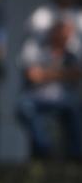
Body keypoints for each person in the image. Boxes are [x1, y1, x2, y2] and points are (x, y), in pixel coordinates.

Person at [16, 20, 82, 159]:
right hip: (37, 98)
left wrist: (46, 73)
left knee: (76, 109)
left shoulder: (72, 54)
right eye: (63, 34)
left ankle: (76, 157)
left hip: (65, 100)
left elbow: (77, 74)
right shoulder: (37, 49)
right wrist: (64, 74)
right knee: (24, 107)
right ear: (54, 33)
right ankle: (44, 150)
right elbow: (33, 75)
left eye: (68, 35)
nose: (67, 38)